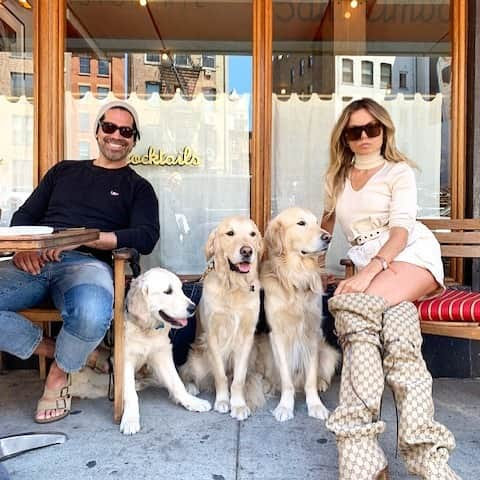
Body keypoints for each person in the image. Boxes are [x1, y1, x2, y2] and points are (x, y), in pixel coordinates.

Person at [321, 98, 459, 480]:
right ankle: (417, 455)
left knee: (352, 308)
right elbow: (325, 230)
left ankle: (361, 455)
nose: (365, 137)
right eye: (355, 131)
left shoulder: (399, 172)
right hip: (376, 270)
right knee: (395, 328)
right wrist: (314, 269)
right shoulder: (338, 178)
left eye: (372, 129)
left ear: (384, 130)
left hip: (409, 255)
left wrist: (369, 273)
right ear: (345, 138)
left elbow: (400, 230)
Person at [0, 100, 160, 423]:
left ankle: (59, 373)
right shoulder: (64, 171)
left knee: (91, 312)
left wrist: (88, 238)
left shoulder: (138, 187)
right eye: (110, 127)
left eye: (126, 131)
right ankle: (64, 352)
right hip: (35, 261)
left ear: (134, 139)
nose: (117, 135)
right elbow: (23, 216)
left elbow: (145, 235)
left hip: (87, 265)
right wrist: (24, 249)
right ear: (98, 130)